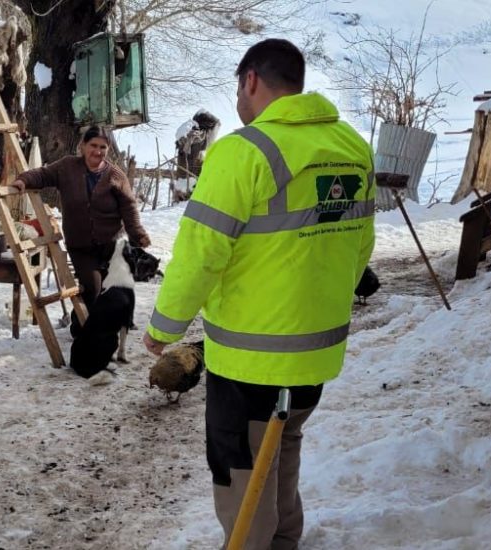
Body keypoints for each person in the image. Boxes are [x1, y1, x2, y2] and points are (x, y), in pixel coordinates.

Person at [142, 39, 376, 549]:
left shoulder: (243, 152)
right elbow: (360, 250)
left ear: (250, 80)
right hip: (316, 357)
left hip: (250, 360)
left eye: (237, 87)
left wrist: (165, 327)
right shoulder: (352, 148)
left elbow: (201, 253)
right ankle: (285, 540)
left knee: (240, 470)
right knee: (283, 444)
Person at [10, 125, 151, 311]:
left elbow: (129, 207)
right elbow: (43, 175)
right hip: (81, 246)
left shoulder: (115, 176)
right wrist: (24, 180)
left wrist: (137, 234)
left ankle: (83, 327)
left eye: (103, 147)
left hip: (111, 245)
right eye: (93, 145)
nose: (98, 151)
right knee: (92, 288)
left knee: (112, 291)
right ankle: (90, 330)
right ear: (82, 146)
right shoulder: (67, 167)